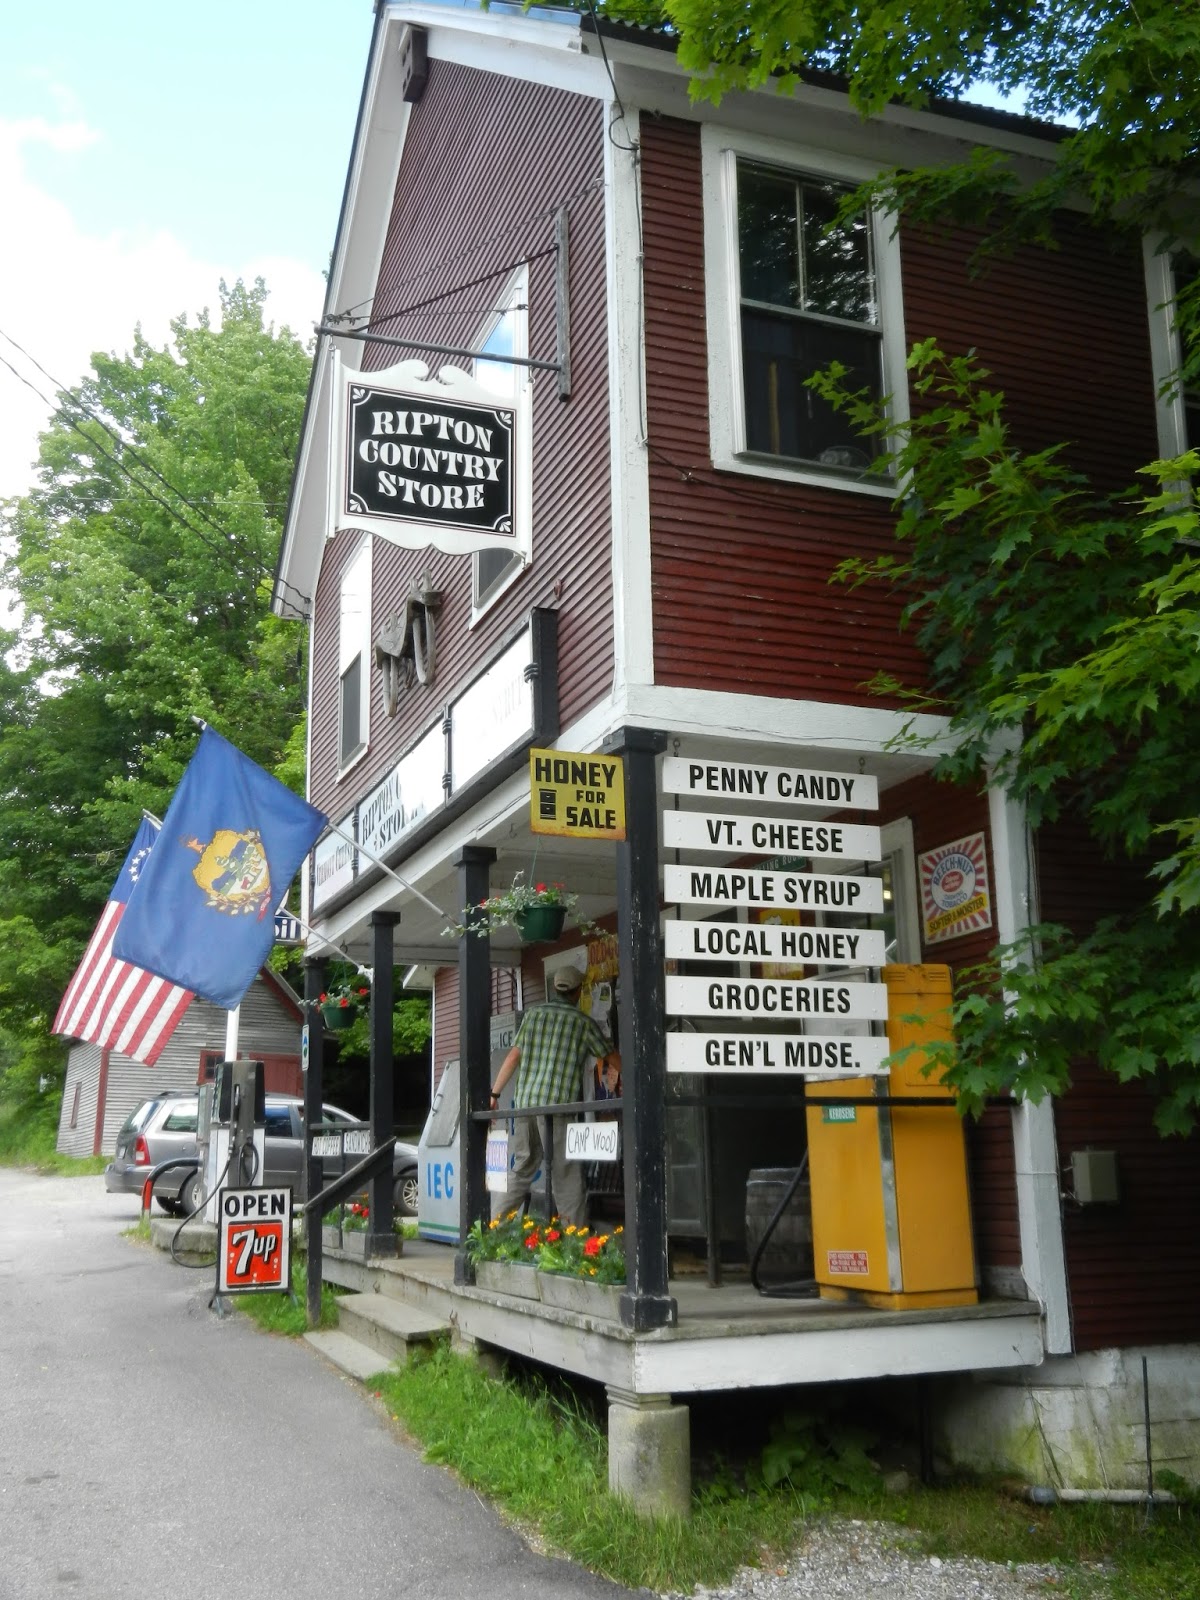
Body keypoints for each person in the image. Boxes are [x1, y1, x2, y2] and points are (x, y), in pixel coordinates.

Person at [488, 964, 616, 1227]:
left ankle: (491, 1230)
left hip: (525, 1108)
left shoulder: (533, 1016)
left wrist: (495, 1092)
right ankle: (577, 1244)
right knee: (566, 1175)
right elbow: (610, 1057)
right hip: (558, 1108)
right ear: (578, 991)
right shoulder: (583, 1023)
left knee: (522, 1168)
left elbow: (514, 1055)